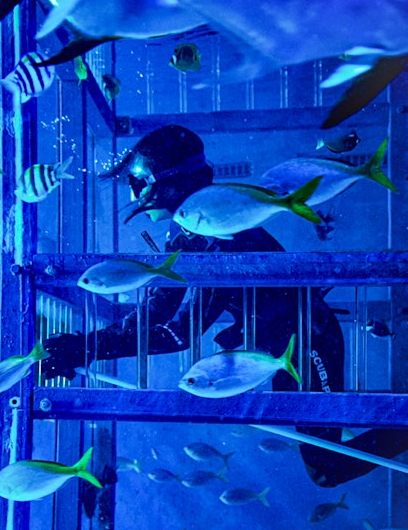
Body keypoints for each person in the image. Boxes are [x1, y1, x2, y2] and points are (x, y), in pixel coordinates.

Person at [41, 125, 408, 487]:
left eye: (139, 183)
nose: (134, 194)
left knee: (326, 466)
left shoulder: (219, 241)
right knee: (324, 459)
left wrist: (87, 348)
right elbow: (157, 311)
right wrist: (83, 346)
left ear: (169, 183)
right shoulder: (190, 229)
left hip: (310, 342)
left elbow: (179, 333)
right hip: (281, 348)